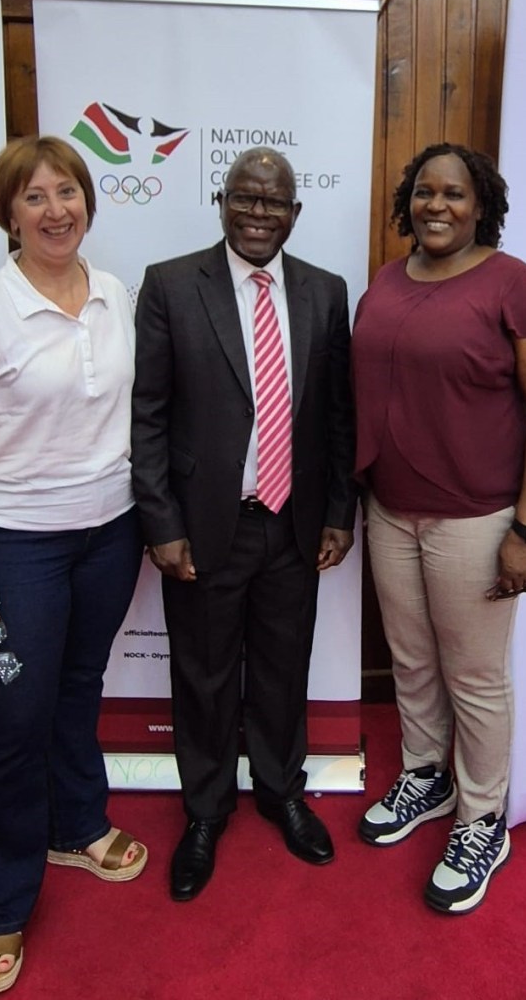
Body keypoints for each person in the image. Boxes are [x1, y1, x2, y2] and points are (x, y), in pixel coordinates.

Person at [0, 135, 147, 995]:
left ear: (88, 200)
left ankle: (75, 825)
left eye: (68, 192)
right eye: (35, 197)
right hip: (16, 545)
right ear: (8, 215)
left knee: (77, 686)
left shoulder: (116, 294)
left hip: (109, 534)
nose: (57, 210)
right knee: (15, 719)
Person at [352, 143, 526, 915]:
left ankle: (482, 816)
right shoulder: (386, 281)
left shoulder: (517, 286)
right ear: (407, 201)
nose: (435, 205)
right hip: (390, 509)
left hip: (476, 519)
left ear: (481, 205)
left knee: (474, 676)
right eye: (423, 191)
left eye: (453, 193)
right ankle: (426, 774)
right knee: (412, 660)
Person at [131, 146, 356, 902]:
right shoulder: (171, 285)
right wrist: (161, 521)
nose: (259, 213)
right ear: (222, 202)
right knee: (203, 674)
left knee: (284, 668)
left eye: (274, 202)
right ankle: (204, 811)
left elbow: (338, 413)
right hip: (203, 525)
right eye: (245, 198)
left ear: (295, 213)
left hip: (293, 524)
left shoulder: (325, 291)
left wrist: (338, 511)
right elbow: (148, 413)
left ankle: (281, 790)